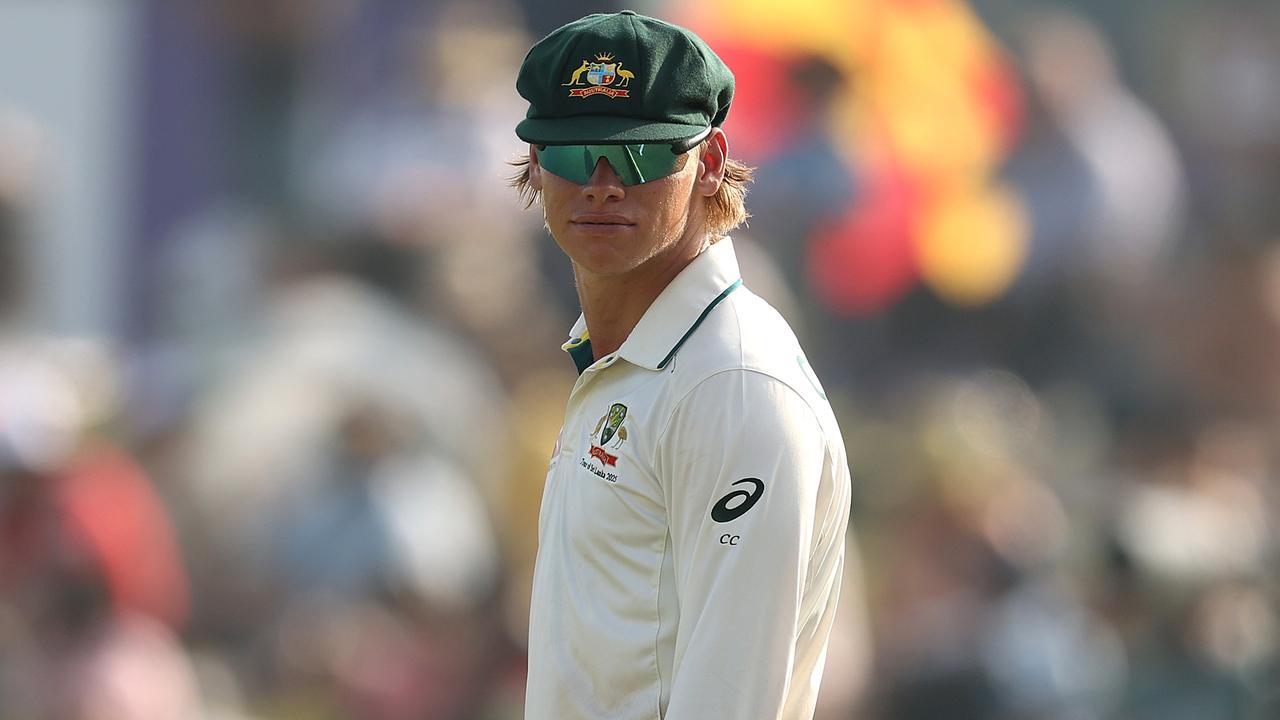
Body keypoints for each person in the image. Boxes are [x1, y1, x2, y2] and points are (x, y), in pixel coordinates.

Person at [511, 11, 852, 719]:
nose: (603, 183)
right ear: (537, 164)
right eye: (575, 152)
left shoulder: (732, 385)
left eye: (640, 155)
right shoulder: (631, 361)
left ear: (711, 162)